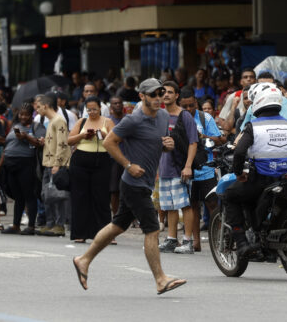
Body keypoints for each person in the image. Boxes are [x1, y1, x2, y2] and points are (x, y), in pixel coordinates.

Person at [72, 78, 187, 295]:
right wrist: (128, 164)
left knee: (118, 226)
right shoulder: (133, 120)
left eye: (160, 93)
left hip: (144, 183)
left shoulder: (163, 116)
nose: (158, 98)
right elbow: (108, 143)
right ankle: (161, 279)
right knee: (152, 229)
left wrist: (166, 146)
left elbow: (156, 144)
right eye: (153, 94)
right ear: (142, 96)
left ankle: (83, 259)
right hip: (133, 183)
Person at [224, 83, 287, 256]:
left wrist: (238, 173)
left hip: (262, 180)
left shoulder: (253, 126)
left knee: (230, 196)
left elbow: (239, 152)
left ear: (259, 102)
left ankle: (241, 242)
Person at [156, 81, 200, 254]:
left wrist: (188, 166)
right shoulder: (158, 116)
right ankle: (172, 239)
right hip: (164, 168)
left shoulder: (184, 116)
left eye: (169, 92)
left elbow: (193, 142)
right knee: (169, 206)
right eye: (163, 92)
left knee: (185, 204)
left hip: (179, 167)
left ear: (176, 96)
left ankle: (187, 241)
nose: (166, 95)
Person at [179, 90, 223, 251]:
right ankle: (196, 242)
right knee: (192, 206)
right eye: (185, 106)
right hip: (186, 170)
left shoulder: (205, 118)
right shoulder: (177, 119)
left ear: (196, 104)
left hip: (206, 169)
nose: (189, 109)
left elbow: (219, 140)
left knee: (212, 204)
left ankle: (217, 239)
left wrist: (202, 136)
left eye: (192, 105)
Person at [68, 95, 115, 242]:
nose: (92, 112)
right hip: (81, 161)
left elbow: (115, 140)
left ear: (100, 108)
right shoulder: (82, 121)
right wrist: (83, 135)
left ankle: (105, 235)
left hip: (101, 161)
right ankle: (80, 233)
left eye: (95, 109)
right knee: (80, 197)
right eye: (89, 110)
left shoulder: (107, 121)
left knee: (101, 197)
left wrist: (102, 134)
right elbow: (69, 140)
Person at [1, 103, 44, 234]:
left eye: (26, 114)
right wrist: (0, 163)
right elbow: (7, 145)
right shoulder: (15, 126)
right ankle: (16, 225)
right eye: (21, 114)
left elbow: (40, 143)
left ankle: (31, 226)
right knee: (18, 196)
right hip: (10, 163)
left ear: (31, 115)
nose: (23, 117)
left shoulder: (36, 126)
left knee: (29, 195)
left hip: (26, 163)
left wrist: (26, 136)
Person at [39, 92, 72, 238]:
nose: (37, 109)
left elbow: (63, 144)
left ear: (46, 106)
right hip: (48, 163)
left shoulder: (59, 120)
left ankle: (59, 225)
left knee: (58, 196)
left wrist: (58, 164)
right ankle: (50, 223)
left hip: (55, 164)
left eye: (39, 106)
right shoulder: (51, 121)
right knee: (47, 195)